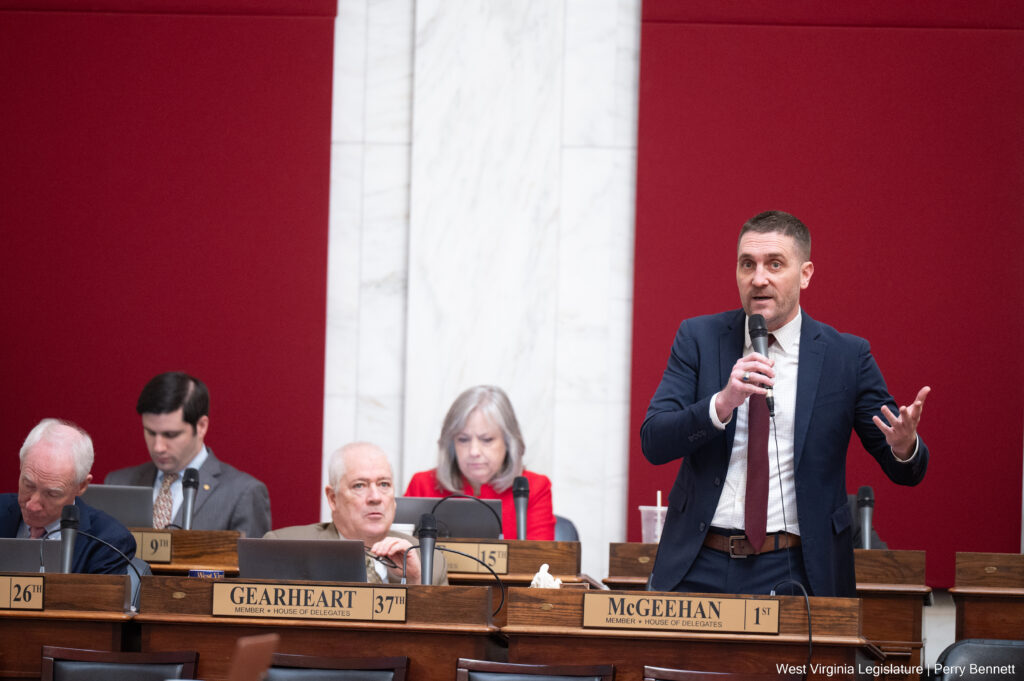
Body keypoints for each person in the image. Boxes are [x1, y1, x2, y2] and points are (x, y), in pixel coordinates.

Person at [640, 210, 929, 598]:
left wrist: (904, 446)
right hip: (697, 562)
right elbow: (654, 441)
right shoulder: (699, 337)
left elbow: (906, 471)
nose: (759, 279)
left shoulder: (846, 356)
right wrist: (722, 404)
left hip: (794, 568)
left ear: (805, 274)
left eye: (775, 264)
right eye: (748, 265)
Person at [105, 372, 271, 537]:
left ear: (201, 426)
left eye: (170, 435)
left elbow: (253, 563)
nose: (158, 447)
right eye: (150, 432)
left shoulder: (242, 493)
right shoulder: (118, 483)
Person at [265, 442, 447, 585]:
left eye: (384, 484)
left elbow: (441, 631)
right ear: (333, 498)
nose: (375, 497)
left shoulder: (429, 560)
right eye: (359, 485)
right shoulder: (283, 550)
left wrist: (416, 582)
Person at [405, 385, 556, 540]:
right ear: (451, 444)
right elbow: (401, 555)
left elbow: (542, 561)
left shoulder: (534, 488)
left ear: (509, 442)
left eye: (487, 440)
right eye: (463, 440)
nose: (474, 451)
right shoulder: (422, 485)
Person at [0, 418, 136, 574]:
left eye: (52, 493)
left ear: (82, 486)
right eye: (28, 485)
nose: (32, 505)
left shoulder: (108, 542)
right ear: (21, 466)